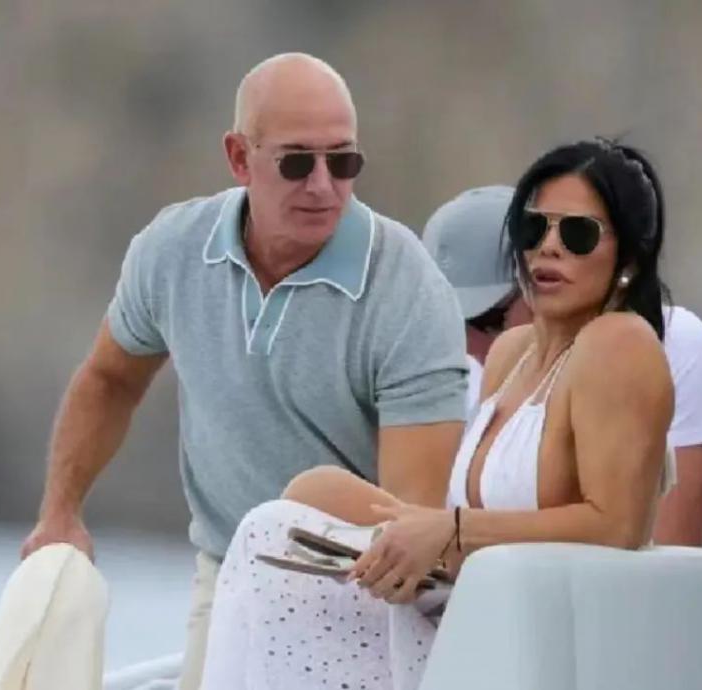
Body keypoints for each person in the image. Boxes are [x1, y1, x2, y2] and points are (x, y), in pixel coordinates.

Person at [19, 53, 469, 690]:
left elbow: (407, 523)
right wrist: (60, 513)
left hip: (362, 588)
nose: (323, 185)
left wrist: (300, 523)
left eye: (343, 162)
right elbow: (110, 379)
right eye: (296, 162)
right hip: (224, 569)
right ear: (238, 157)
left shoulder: (409, 289)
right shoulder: (172, 250)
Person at [200, 138, 676, 690]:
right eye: (532, 228)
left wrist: (452, 531)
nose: (548, 247)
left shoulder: (619, 343)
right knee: (310, 497)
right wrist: (426, 536)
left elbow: (617, 527)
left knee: (268, 533)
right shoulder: (512, 353)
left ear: (628, 258)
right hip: (471, 605)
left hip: (542, 641)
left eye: (578, 234)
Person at [422, 185, 702, 545]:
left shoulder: (669, 340)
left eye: (489, 319)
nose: (471, 346)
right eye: (452, 328)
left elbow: (665, 548)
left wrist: (458, 531)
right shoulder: (481, 366)